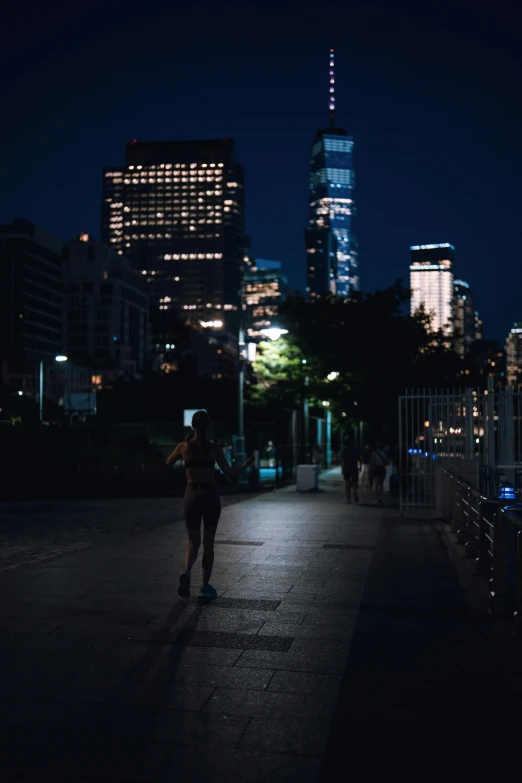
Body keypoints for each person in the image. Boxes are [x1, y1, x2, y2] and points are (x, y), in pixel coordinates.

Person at [166, 410, 253, 598]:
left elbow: (168, 462)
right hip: (210, 494)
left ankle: (186, 573)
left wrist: (184, 448)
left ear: (193, 426)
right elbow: (230, 472)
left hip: (191, 495)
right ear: (209, 427)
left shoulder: (184, 447)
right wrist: (245, 466)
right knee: (208, 543)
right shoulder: (214, 448)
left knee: (192, 541)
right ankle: (205, 586)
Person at [341, 435, 359, 503]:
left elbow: (342, 460)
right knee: (355, 482)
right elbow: (358, 458)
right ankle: (355, 495)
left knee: (347, 483)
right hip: (354, 468)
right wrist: (359, 467)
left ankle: (348, 498)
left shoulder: (344, 449)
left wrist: (342, 469)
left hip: (346, 468)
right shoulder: (355, 448)